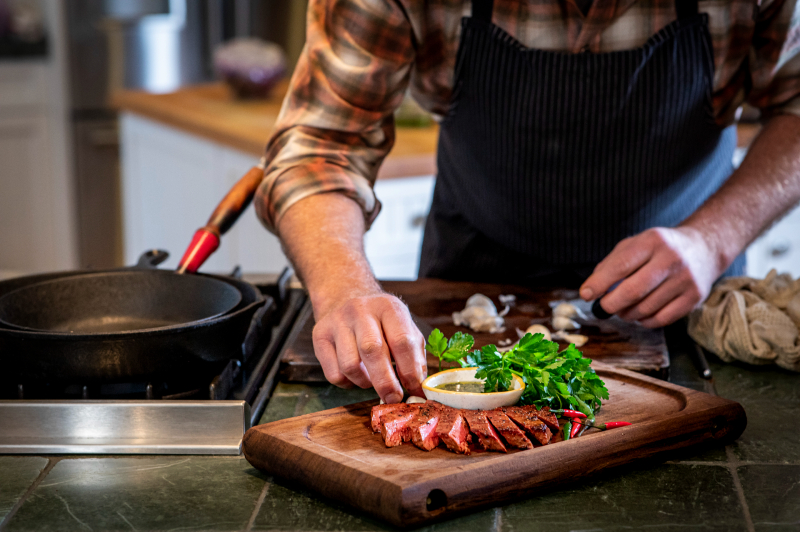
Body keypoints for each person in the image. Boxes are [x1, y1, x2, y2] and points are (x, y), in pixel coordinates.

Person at [255, 0, 800, 404]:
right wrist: (343, 288)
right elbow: (321, 143)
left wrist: (712, 238)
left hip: (690, 296)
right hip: (471, 265)